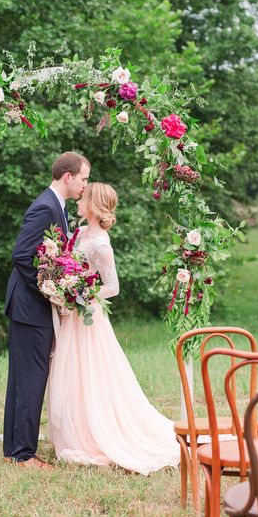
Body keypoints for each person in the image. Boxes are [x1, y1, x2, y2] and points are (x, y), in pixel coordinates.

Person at [47, 182, 179, 475]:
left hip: (87, 315)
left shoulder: (101, 245)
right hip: (73, 314)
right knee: (72, 370)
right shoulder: (80, 233)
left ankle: (97, 432)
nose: (79, 201)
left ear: (94, 206)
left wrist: (78, 293)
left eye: (84, 198)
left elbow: (112, 287)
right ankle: (76, 427)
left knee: (91, 372)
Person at [3, 151, 90, 469]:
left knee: (24, 377)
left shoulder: (57, 205)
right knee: (30, 378)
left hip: (29, 306)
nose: (85, 185)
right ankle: (23, 454)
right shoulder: (45, 206)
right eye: (83, 178)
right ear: (68, 176)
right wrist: (49, 293)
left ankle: (14, 449)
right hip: (30, 306)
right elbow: (22, 256)